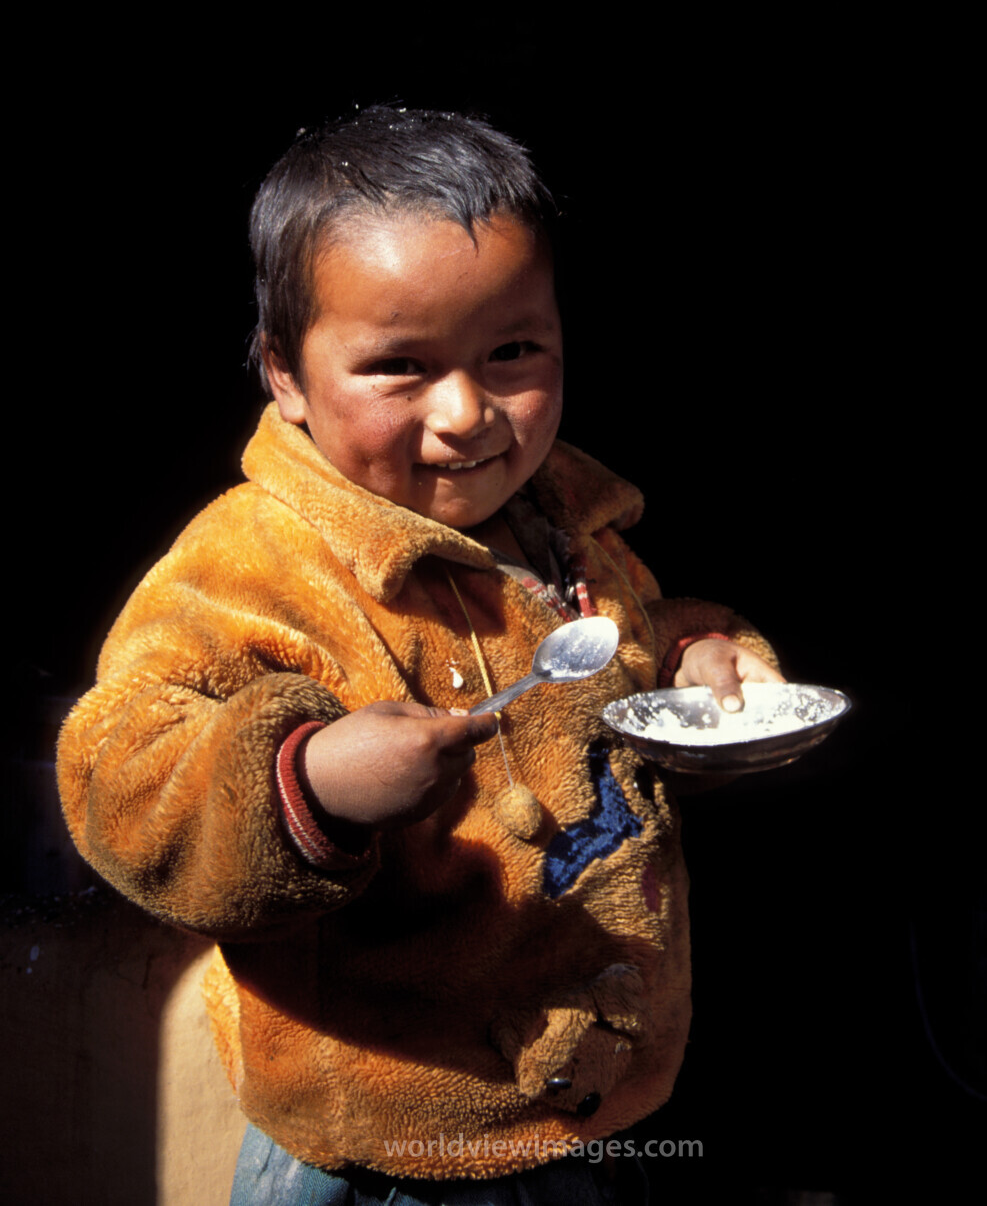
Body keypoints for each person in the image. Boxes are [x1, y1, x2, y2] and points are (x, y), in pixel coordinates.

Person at [57, 106, 783, 1204]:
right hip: (397, 1137)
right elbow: (120, 776)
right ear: (284, 374)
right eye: (398, 366)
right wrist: (307, 782)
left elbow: (630, 635)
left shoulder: (560, 517)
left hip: (598, 1097)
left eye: (513, 352)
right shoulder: (255, 566)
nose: (465, 414)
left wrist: (697, 654)